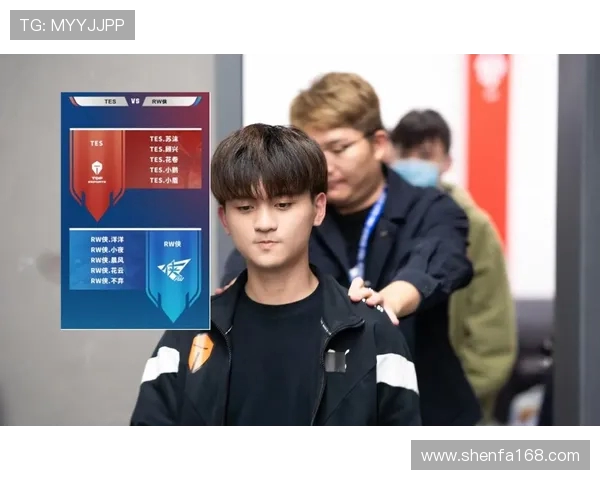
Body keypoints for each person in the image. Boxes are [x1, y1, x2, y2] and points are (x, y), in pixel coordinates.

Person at [220, 73, 481, 426]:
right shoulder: (297, 216)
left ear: (378, 143)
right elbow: (247, 266)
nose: (325, 166)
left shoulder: (430, 208)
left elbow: (440, 259)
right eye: (314, 151)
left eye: (339, 148)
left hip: (426, 409)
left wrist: (387, 303)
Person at [130, 123, 421, 426]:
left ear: (318, 209)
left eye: (283, 204)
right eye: (245, 207)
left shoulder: (370, 333)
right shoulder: (189, 333)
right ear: (225, 219)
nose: (264, 223)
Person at [387, 108, 517, 424]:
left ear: (446, 162)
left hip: (452, 410)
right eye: (405, 153)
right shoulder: (382, 220)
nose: (413, 163)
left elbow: (492, 332)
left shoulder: (474, 227)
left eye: (425, 155)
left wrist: (455, 400)